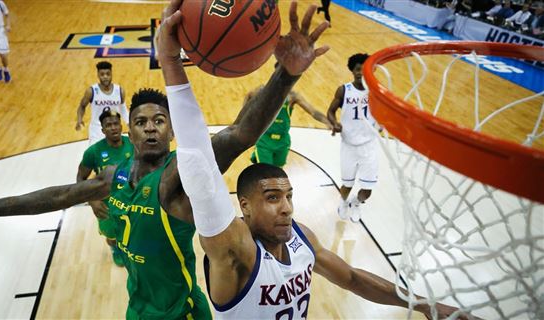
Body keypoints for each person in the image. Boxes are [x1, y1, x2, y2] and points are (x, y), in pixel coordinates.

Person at [0, 0, 330, 318]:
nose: (150, 128)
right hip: (138, 310)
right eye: (141, 121)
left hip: (184, 313)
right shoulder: (112, 175)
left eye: (160, 121)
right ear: (129, 132)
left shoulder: (178, 175)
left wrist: (285, 76)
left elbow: (241, 133)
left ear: (172, 131)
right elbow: (57, 196)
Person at [166, 21, 467, 320]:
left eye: (288, 196)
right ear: (243, 205)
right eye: (272, 198)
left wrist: (426, 304)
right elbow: (197, 166)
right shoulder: (234, 249)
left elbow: (352, 278)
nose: (286, 208)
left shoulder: (300, 237)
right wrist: (169, 59)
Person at [77, 107, 133, 267]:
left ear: (121, 126)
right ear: (102, 129)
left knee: (135, 230)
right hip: (106, 204)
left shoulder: (133, 144)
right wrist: (92, 201)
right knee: (112, 234)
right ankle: (116, 249)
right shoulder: (93, 152)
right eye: (109, 125)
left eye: (116, 124)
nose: (113, 127)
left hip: (131, 198)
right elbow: (80, 178)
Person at [327, 53, 380, 223]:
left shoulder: (376, 91)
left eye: (364, 69)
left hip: (369, 145)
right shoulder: (344, 90)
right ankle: (343, 202)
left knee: (368, 189)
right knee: (347, 185)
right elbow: (330, 112)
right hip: (348, 144)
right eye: (357, 69)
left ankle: (356, 203)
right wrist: (334, 123)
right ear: (352, 70)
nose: (361, 73)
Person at [246, 71, 334, 168]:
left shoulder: (292, 96)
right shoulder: (262, 91)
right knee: (265, 172)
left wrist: (327, 122)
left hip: (282, 141)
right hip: (265, 140)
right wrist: (246, 119)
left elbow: (313, 112)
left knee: (277, 171)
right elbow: (249, 96)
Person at [75, 61, 130, 145]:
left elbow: (123, 109)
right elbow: (82, 106)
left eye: (108, 74)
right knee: (96, 156)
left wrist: (129, 123)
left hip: (114, 128)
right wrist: (79, 120)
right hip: (96, 130)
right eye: (102, 74)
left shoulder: (119, 90)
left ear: (111, 74)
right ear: (98, 75)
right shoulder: (91, 91)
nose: (105, 77)